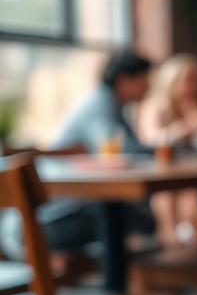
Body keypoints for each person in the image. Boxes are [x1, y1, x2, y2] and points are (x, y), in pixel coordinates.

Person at [1, 51, 156, 258]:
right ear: (123, 79)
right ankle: (121, 285)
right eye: (145, 79)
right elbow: (122, 150)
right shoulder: (100, 104)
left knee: (129, 214)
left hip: (44, 218)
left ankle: (122, 282)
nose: (149, 87)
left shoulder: (113, 104)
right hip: (32, 228)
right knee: (129, 217)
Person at [137, 54, 197, 244]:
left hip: (191, 176)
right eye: (188, 80)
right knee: (167, 194)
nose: (192, 87)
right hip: (159, 177)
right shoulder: (154, 107)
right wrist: (186, 127)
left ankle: (188, 245)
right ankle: (170, 243)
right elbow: (151, 141)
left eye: (196, 80)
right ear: (171, 80)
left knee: (190, 191)